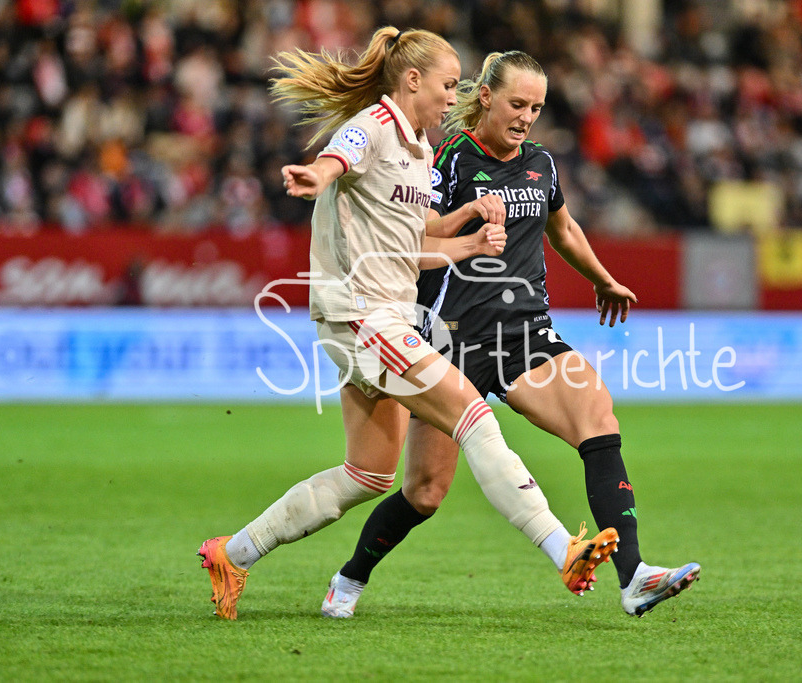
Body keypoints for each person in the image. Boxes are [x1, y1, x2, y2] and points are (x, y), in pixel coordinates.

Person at [197, 27, 619, 620]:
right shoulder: (373, 126)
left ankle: (232, 553)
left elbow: (414, 241)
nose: (454, 97)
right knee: (473, 415)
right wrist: (319, 175)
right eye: (449, 85)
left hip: (386, 317)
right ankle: (561, 548)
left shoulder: (419, 152)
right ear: (413, 80)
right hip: (362, 318)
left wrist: (469, 229)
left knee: (366, 475)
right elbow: (339, 155)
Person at [322, 50, 700, 619]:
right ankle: (349, 579)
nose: (526, 117)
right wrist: (464, 230)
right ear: (486, 97)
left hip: (525, 334)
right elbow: (414, 236)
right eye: (517, 104)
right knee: (425, 492)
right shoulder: (448, 158)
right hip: (451, 340)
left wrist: (602, 278)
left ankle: (635, 576)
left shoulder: (542, 164)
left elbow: (563, 228)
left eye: (537, 108)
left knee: (598, 418)